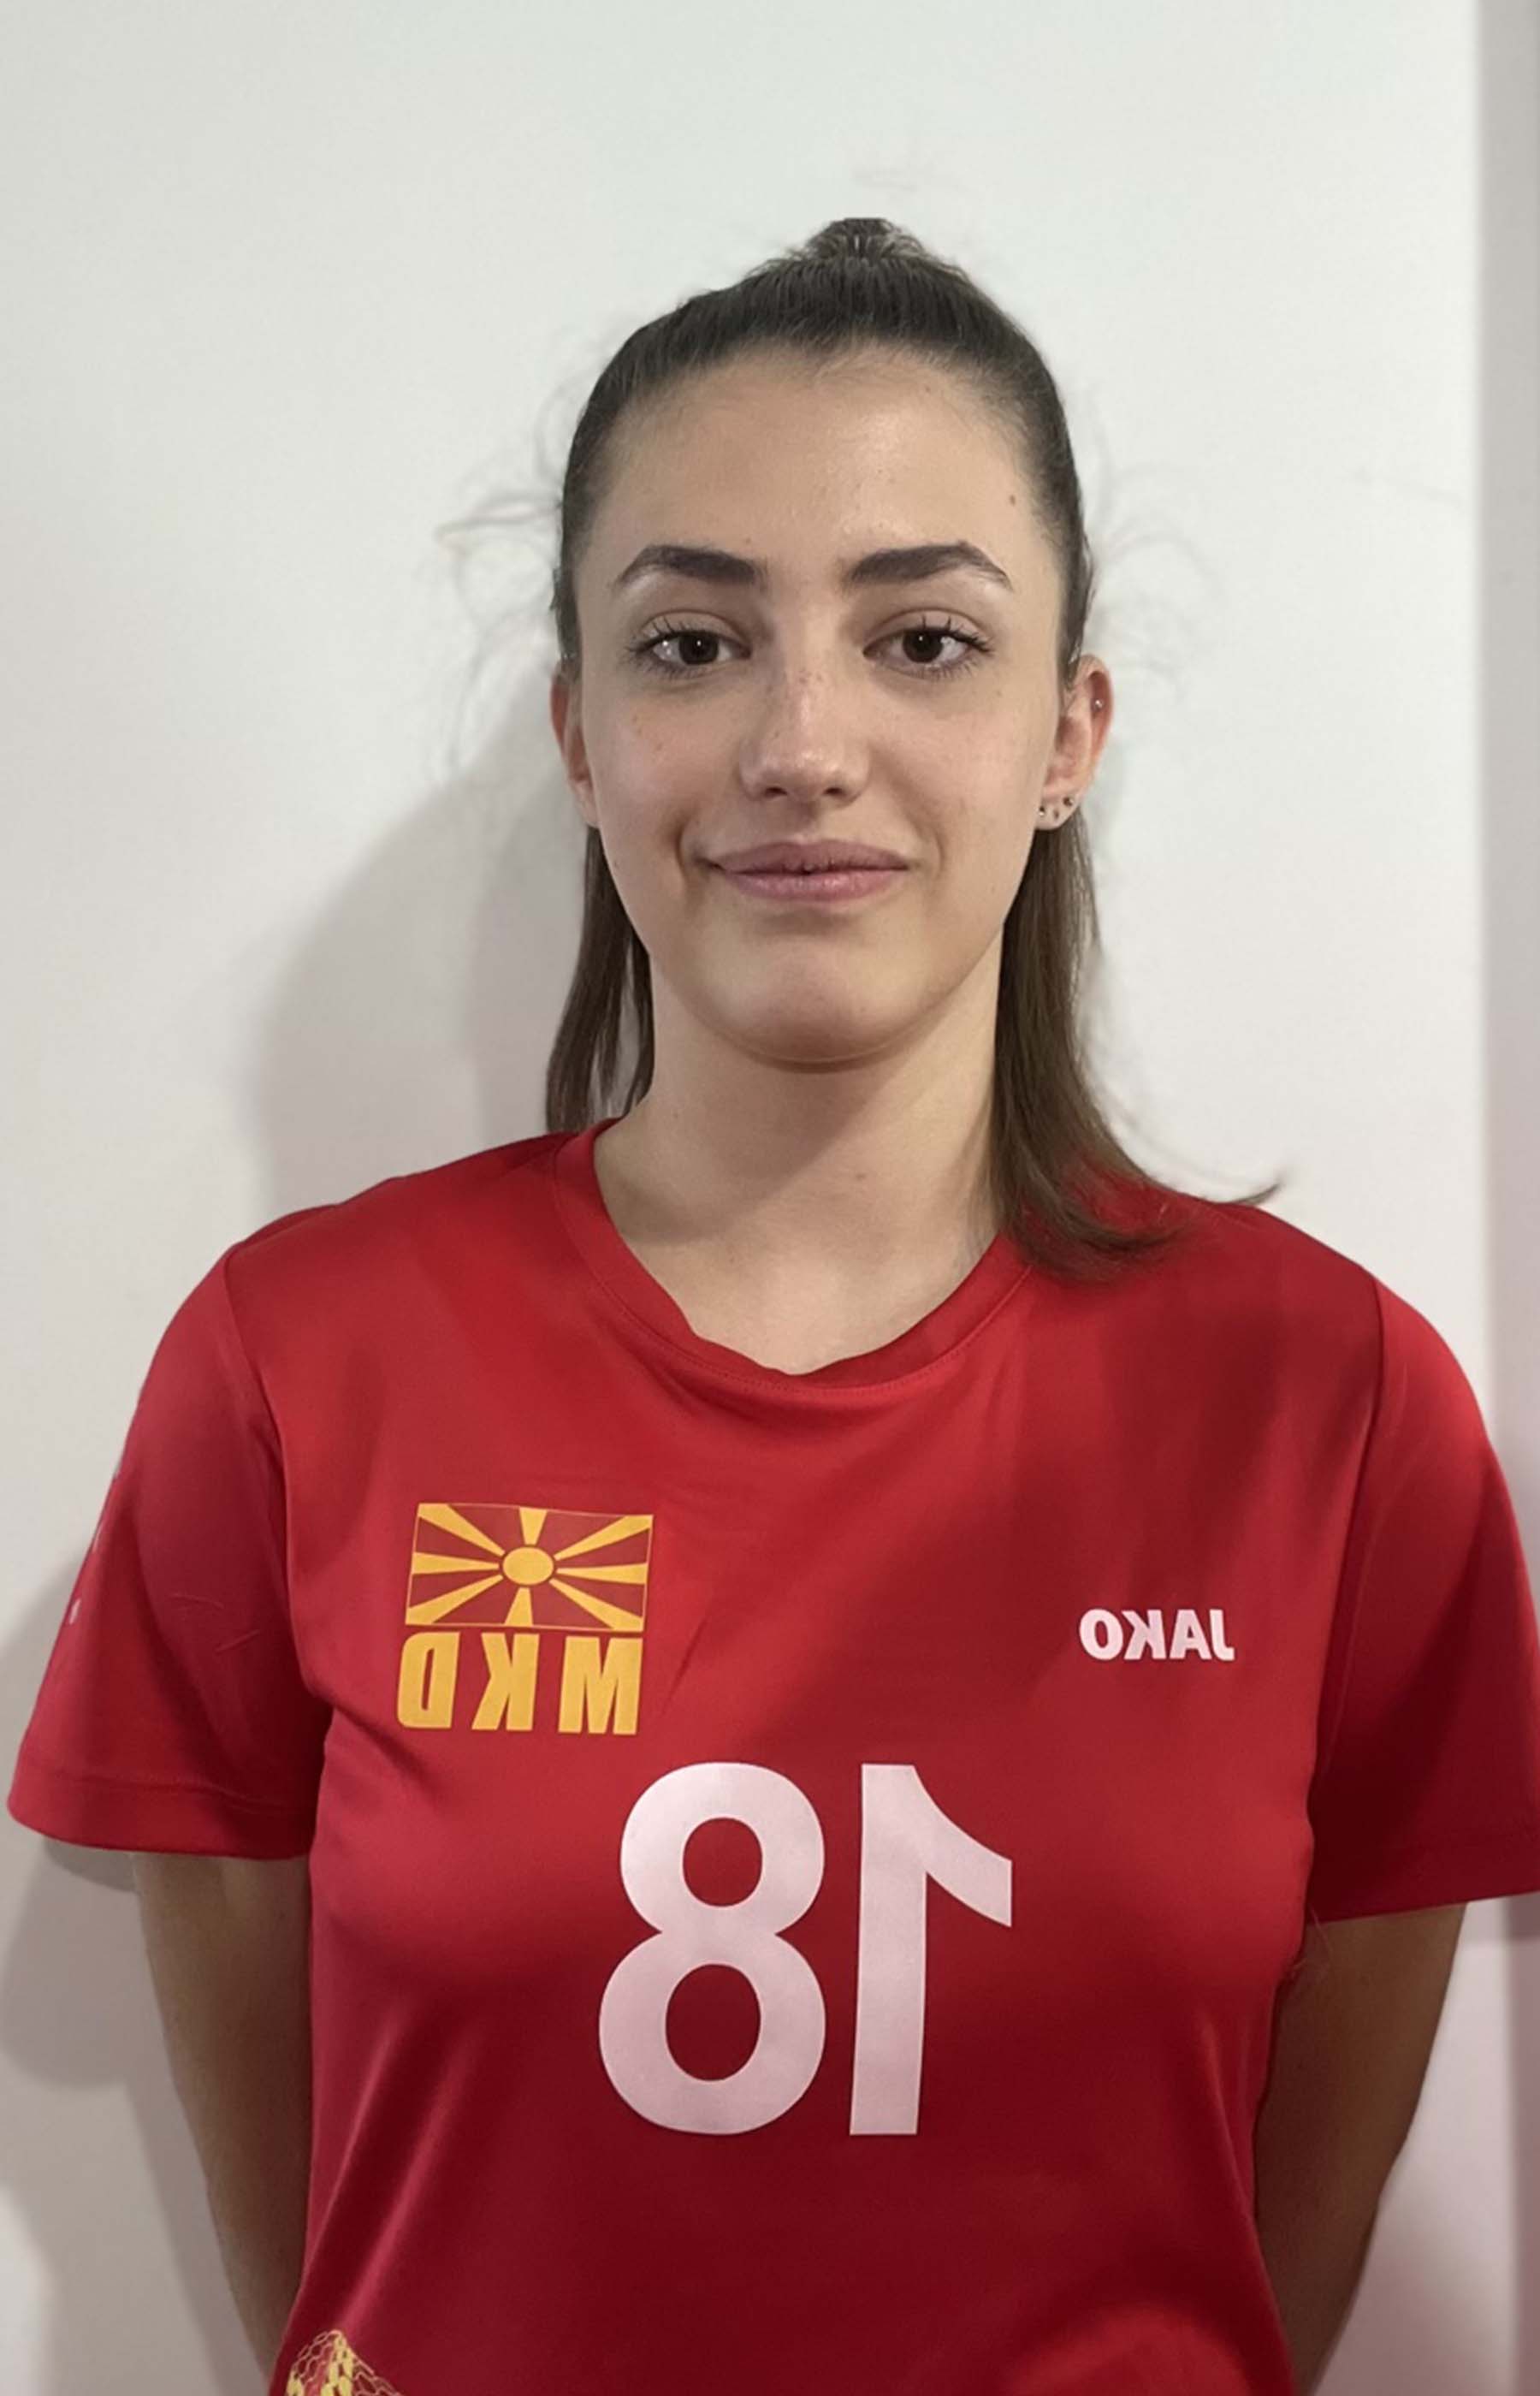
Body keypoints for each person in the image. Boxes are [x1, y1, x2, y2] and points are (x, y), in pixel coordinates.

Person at [9, 216, 1540, 2396]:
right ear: (581, 730)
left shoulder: (1338, 1407)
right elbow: (324, 2245)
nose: (804, 742)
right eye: (694, 642)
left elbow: (1274, 2251)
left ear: (1068, 731)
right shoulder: (295, 1363)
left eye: (923, 638)